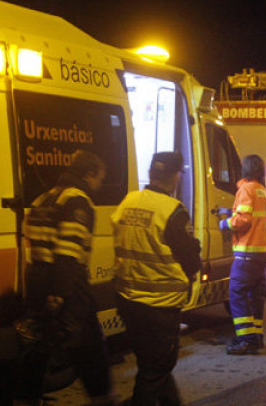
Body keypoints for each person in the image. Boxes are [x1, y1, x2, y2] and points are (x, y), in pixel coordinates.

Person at [13, 150, 114, 406]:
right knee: (90, 352)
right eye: (99, 179)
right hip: (68, 288)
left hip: (37, 284)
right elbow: (68, 254)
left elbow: (35, 250)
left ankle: (27, 400)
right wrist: (60, 295)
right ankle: (102, 399)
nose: (99, 185)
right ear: (89, 173)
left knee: (36, 351)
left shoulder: (42, 199)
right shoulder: (77, 201)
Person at [111, 151, 202, 406]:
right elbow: (191, 261)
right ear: (175, 177)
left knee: (151, 363)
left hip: (128, 300)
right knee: (156, 368)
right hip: (159, 305)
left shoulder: (128, 201)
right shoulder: (172, 210)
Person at [218, 155, 266, 355]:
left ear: (245, 170)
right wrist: (231, 210)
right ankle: (256, 337)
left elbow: (243, 221)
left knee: (237, 293)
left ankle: (246, 340)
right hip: (263, 254)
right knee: (256, 297)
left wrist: (224, 223)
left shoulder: (246, 189)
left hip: (248, 254)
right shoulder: (263, 192)